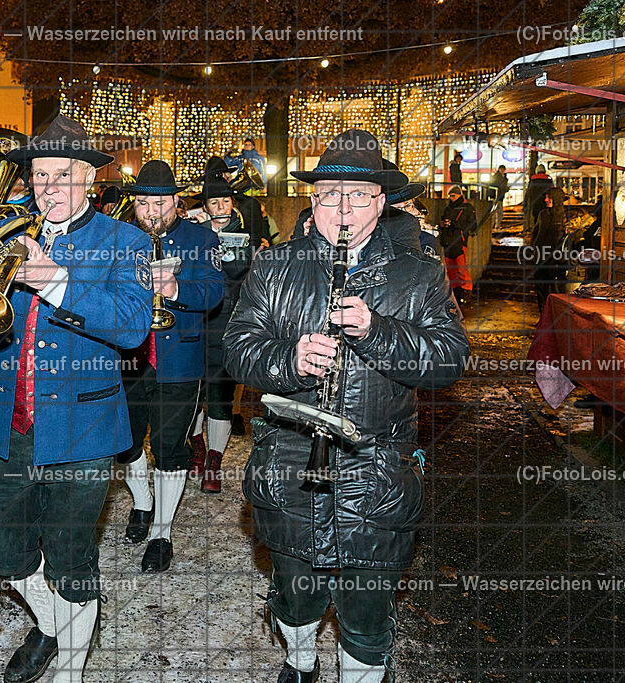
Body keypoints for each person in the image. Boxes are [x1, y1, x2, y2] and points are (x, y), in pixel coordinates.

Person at [223, 128, 469, 683]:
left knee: (366, 616)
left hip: (376, 476)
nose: (343, 209)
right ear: (314, 201)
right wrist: (289, 360)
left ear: (381, 204)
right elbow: (237, 350)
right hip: (290, 470)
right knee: (295, 598)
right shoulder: (274, 266)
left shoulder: (419, 272)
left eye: (358, 195)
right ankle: (299, 660)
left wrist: (378, 331)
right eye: (330, 194)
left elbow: (449, 361)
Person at [0, 114, 151, 683]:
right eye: (39, 175)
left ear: (90, 179)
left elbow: (133, 327)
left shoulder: (125, 241)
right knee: (4, 555)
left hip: (84, 432)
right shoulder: (7, 230)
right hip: (7, 425)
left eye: (63, 175)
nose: (49, 187)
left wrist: (56, 281)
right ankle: (57, 624)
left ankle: (71, 666)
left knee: (71, 561)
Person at [117, 160, 224, 573]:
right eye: (143, 204)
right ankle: (143, 503)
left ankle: (161, 533)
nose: (150, 212)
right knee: (126, 443)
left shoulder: (201, 238)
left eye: (159, 203)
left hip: (179, 360)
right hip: (129, 358)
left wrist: (176, 288)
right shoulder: (121, 237)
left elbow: (214, 291)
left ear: (176, 201)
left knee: (169, 448)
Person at [187, 173, 254, 493]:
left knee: (220, 397)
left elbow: (237, 269)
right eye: (215, 202)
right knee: (190, 394)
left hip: (225, 324)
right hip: (193, 323)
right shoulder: (194, 233)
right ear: (205, 206)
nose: (222, 207)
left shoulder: (243, 234)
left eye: (226, 201)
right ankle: (197, 448)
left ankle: (214, 461)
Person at [440, 185, 476, 303]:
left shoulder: (467, 208)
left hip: (459, 240)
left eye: (453, 196)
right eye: (450, 196)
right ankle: (457, 291)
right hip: (448, 240)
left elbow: (472, 225)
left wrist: (455, 224)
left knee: (460, 267)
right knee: (451, 268)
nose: (451, 198)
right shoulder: (449, 208)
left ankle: (466, 290)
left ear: (459, 195)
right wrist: (443, 224)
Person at [531, 192, 565, 312]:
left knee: (556, 289)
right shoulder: (543, 214)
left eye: (548, 197)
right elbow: (536, 233)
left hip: (556, 259)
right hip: (540, 257)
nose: (546, 200)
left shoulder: (564, 216)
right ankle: (543, 313)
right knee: (540, 287)